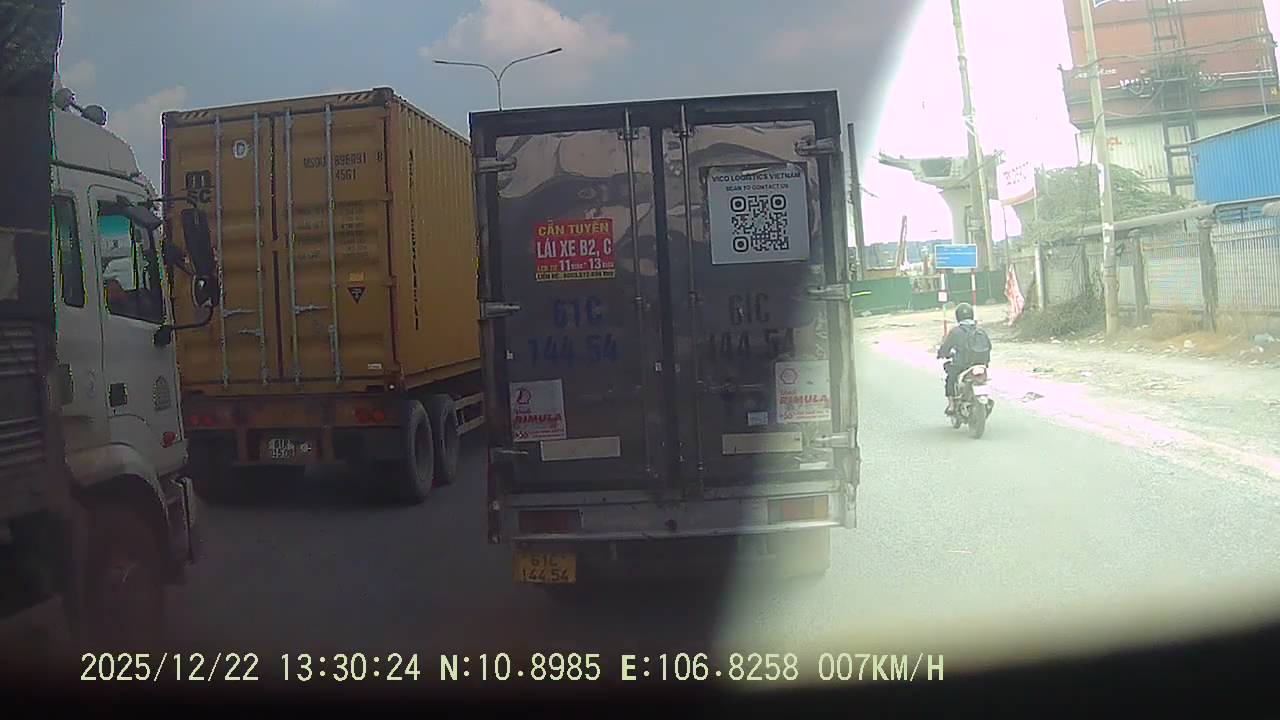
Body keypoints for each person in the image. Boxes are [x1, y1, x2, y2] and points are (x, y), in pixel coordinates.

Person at [936, 303, 992, 415]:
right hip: (981, 364)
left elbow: (945, 348)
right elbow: (989, 346)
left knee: (950, 378)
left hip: (962, 365)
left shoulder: (955, 332)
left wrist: (941, 354)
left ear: (958, 316)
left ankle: (951, 404)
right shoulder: (981, 331)